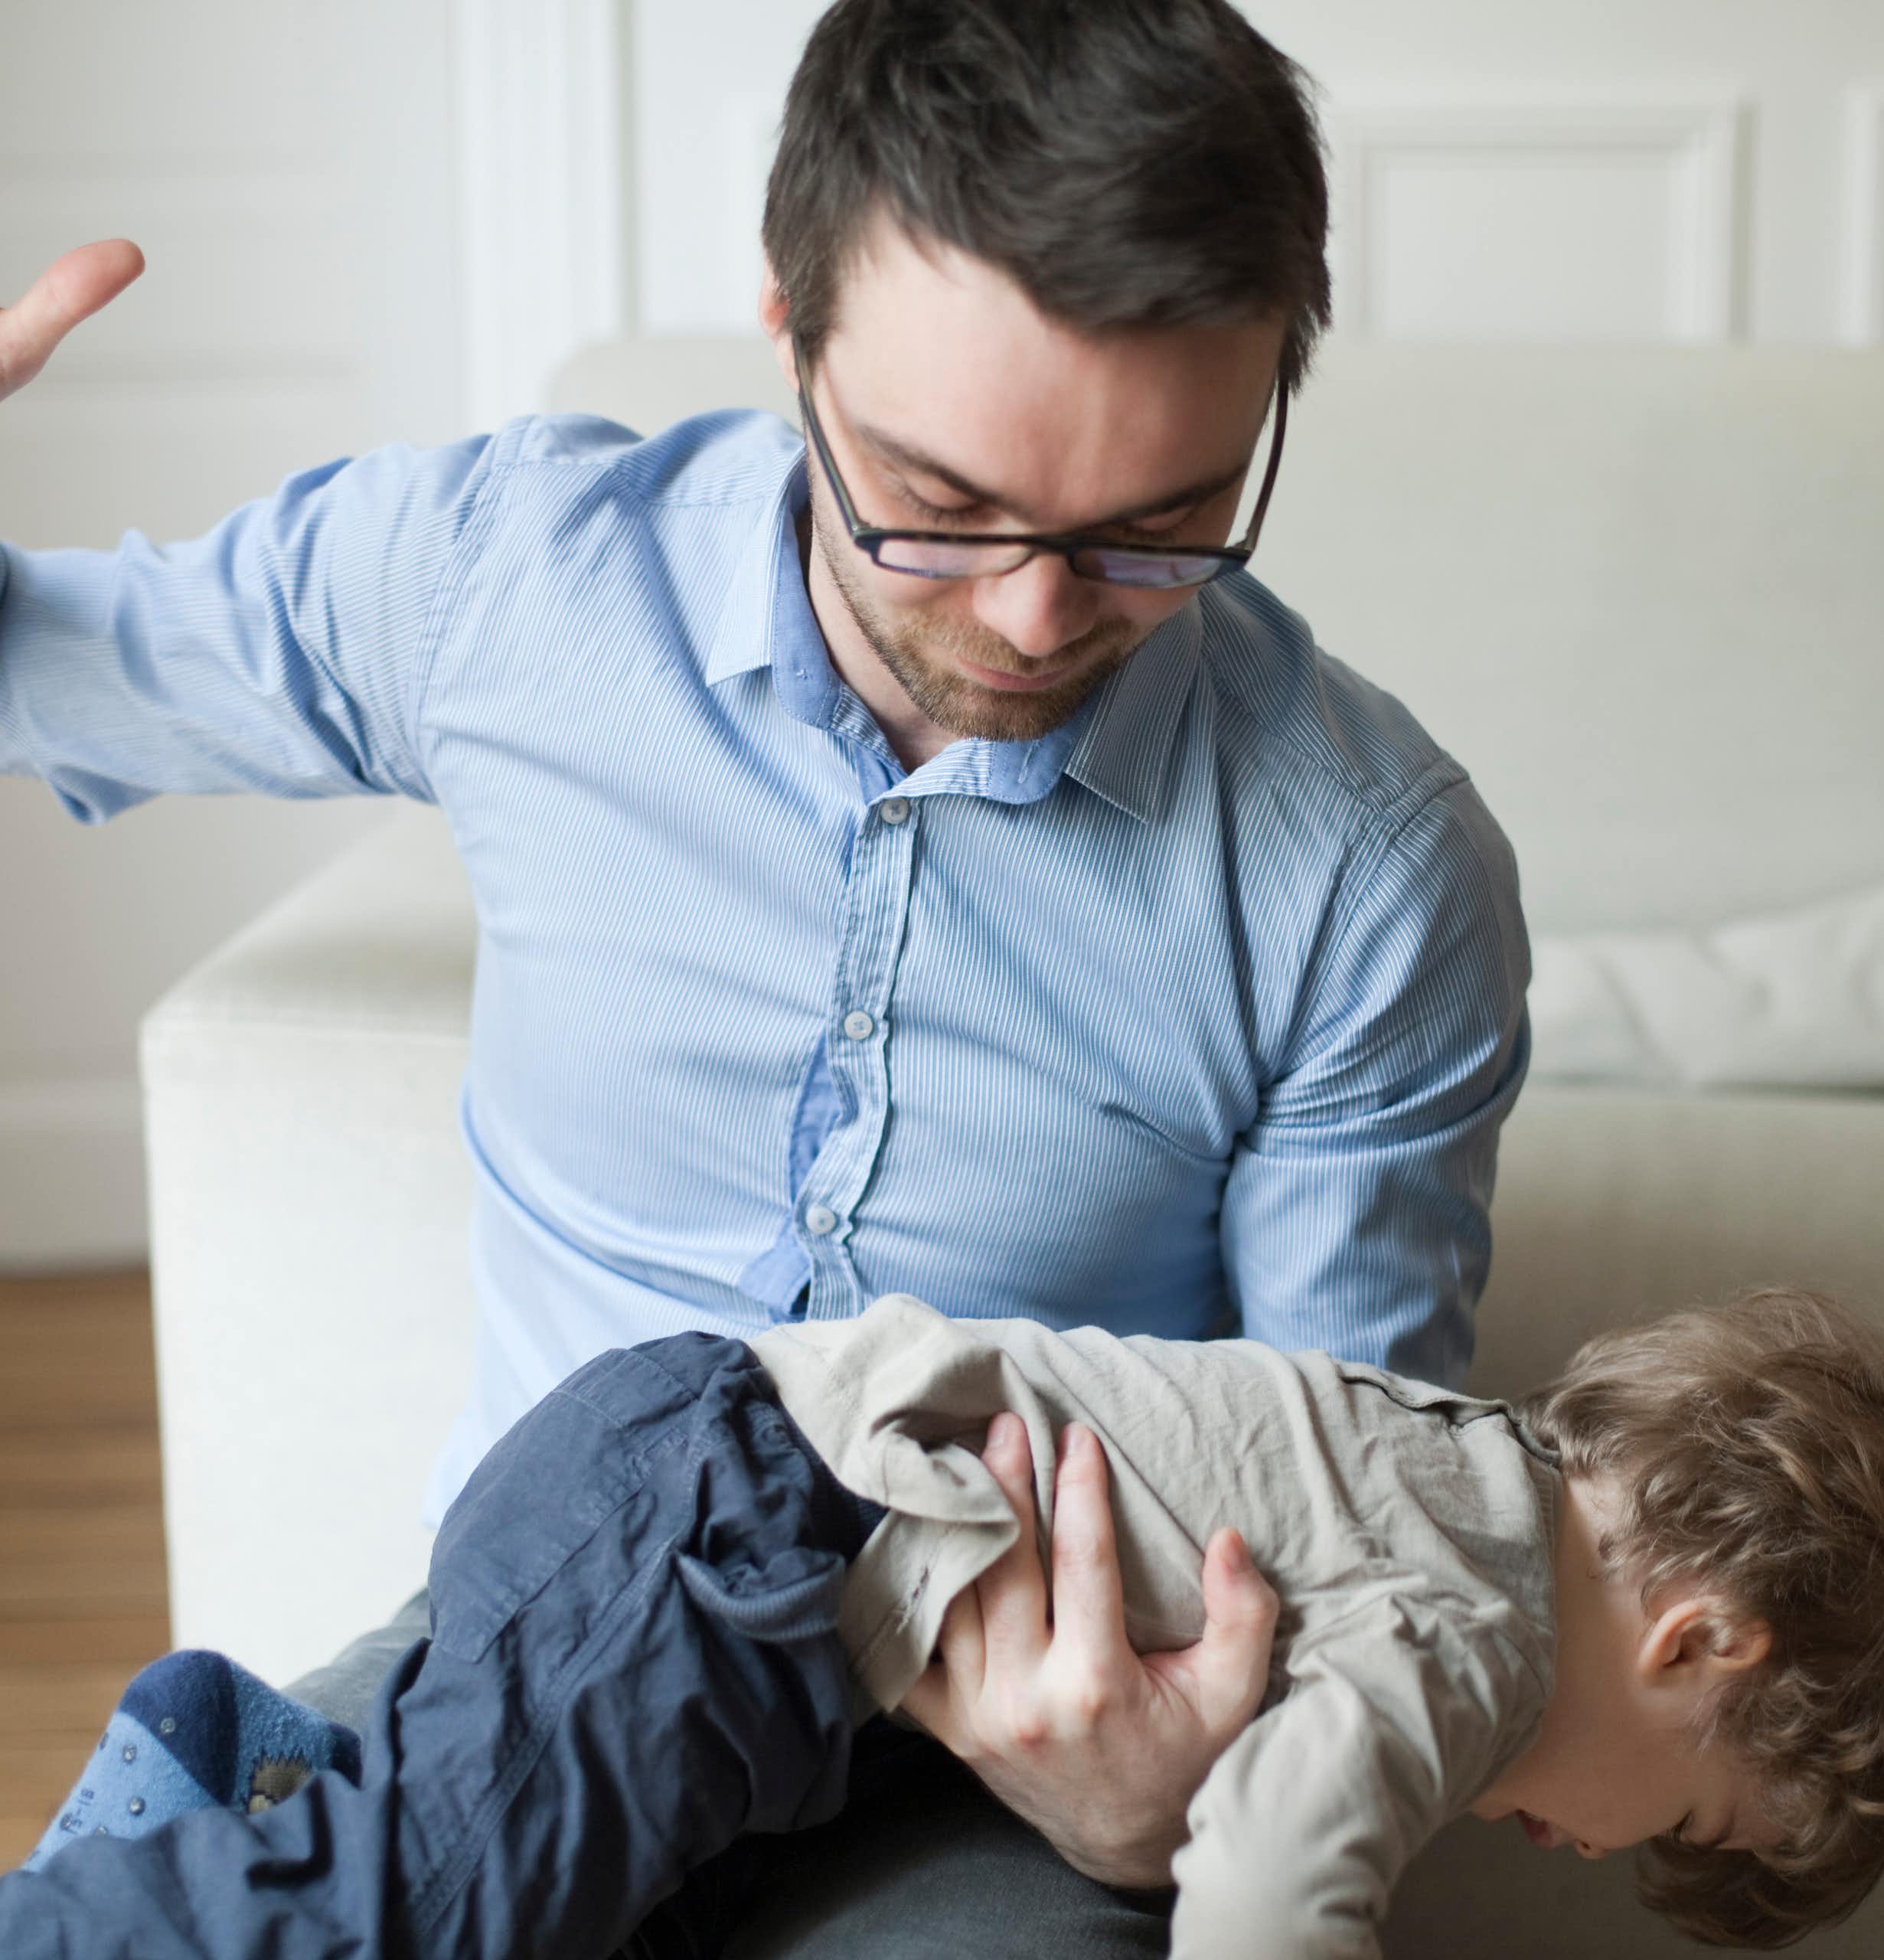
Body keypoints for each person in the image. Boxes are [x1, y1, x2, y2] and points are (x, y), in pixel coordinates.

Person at [0, 3, 1530, 1950]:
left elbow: (1351, 1519)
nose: (1034, 615)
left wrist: (1168, 1802)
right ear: (789, 325)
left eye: (1155, 528)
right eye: (941, 503)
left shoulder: (1374, 877)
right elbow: (54, 669)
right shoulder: (509, 578)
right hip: (532, 1652)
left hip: (995, 1782)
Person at [11, 1288, 1884, 1958]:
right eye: (1687, 1826)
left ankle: (238, 1774)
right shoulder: (1478, 1621)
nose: (1588, 1847)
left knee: (578, 1918)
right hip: (725, 1536)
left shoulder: (1459, 1470)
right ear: (1703, 1643)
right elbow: (1282, 1871)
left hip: (732, 1590)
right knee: (421, 1915)